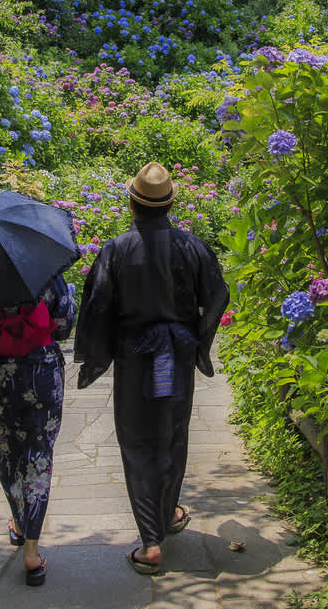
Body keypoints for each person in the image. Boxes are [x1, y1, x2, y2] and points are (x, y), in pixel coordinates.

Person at [73, 161, 229, 575]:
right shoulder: (193, 246)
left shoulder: (117, 250)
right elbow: (217, 296)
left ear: (132, 204)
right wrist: (197, 340)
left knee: (138, 441)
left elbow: (97, 306)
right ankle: (168, 514)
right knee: (172, 433)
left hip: (137, 359)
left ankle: (151, 541)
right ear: (170, 204)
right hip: (173, 357)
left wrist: (99, 353)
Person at [0, 274, 76, 586]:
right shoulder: (43, 268)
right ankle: (32, 551)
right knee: (39, 456)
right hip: (42, 372)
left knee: (8, 451)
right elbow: (63, 325)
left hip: (0, 372)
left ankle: (20, 524)